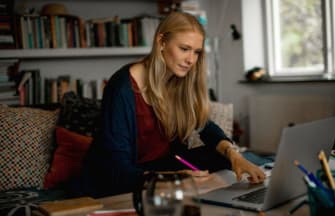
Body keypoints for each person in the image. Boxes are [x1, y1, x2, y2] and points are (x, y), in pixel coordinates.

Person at [72, 12, 265, 198]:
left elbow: (206, 127)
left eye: (196, 52)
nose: (191, 60)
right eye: (184, 49)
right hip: (121, 177)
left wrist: (234, 155)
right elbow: (117, 167)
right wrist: (173, 179)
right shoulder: (122, 87)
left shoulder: (179, 81)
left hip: (162, 167)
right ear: (161, 42)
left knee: (223, 156)